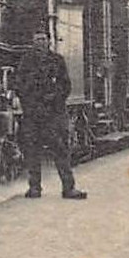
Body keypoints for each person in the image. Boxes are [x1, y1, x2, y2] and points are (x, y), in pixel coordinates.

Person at [13, 30, 87, 200]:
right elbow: (19, 85)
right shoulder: (26, 61)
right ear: (33, 43)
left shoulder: (57, 60)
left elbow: (65, 85)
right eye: (37, 40)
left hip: (53, 113)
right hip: (32, 114)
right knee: (32, 152)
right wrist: (30, 102)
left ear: (49, 41)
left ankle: (69, 188)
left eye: (43, 39)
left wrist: (53, 99)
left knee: (61, 151)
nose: (40, 43)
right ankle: (34, 188)